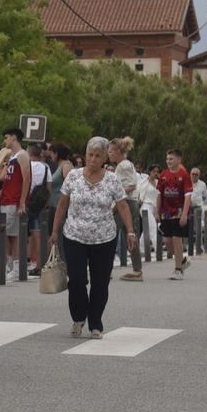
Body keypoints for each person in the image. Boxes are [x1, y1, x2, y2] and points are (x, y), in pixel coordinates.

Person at [49, 137, 133, 339]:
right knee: (76, 280)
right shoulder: (74, 176)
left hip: (104, 237)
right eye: (90, 155)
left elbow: (122, 205)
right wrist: (54, 231)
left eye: (97, 155)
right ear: (85, 155)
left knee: (100, 282)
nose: (93, 159)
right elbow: (62, 204)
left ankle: (95, 322)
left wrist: (130, 231)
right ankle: (79, 317)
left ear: (105, 157)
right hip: (74, 235)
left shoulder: (112, 179)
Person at [0, 128, 31, 273]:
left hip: (15, 200)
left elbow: (27, 178)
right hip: (5, 199)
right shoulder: (10, 158)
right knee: (6, 233)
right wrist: (1, 164)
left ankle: (17, 264)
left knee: (14, 235)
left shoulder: (23, 155)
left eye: (6, 137)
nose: (4, 141)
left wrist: (22, 201)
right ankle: (10, 261)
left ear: (14, 138)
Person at [111, 137, 145, 280]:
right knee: (127, 235)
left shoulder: (124, 165)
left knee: (112, 234)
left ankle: (136, 270)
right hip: (126, 202)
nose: (109, 153)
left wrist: (115, 193)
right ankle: (137, 269)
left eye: (111, 150)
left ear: (119, 151)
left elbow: (131, 185)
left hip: (126, 203)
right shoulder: (123, 165)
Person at [155, 151, 192, 279]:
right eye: (167, 159)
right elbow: (159, 195)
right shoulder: (163, 175)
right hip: (166, 212)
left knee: (177, 238)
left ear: (178, 160)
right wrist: (157, 211)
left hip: (179, 211)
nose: (168, 161)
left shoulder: (184, 175)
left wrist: (185, 214)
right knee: (167, 240)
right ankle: (182, 261)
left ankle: (178, 270)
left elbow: (188, 196)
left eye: (171, 159)